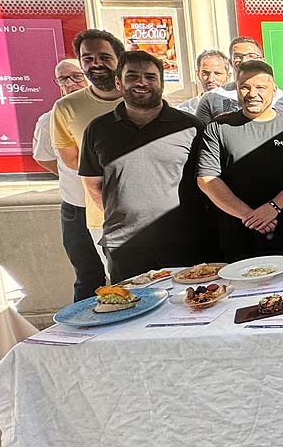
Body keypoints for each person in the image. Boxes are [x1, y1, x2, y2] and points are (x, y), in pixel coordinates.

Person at [79, 51, 209, 280]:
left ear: (161, 83)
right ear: (118, 82)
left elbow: (207, 181)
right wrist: (125, 219)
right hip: (125, 245)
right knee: (131, 309)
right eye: (133, 76)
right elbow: (93, 184)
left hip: (185, 242)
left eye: (150, 77)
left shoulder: (191, 127)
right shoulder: (98, 129)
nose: (142, 83)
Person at [197, 61, 283, 262]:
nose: (252, 93)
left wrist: (273, 208)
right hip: (239, 238)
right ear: (237, 88)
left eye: (261, 87)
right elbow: (207, 179)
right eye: (245, 86)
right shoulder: (219, 127)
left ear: (274, 90)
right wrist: (249, 216)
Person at [51, 29, 126, 275]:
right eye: (88, 59)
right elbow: (72, 160)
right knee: (124, 286)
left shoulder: (143, 98)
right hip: (104, 216)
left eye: (104, 57)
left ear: (119, 59)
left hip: (158, 215)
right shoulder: (65, 108)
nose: (96, 65)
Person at [33, 59, 103, 300]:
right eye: (63, 79)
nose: (70, 83)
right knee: (88, 275)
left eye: (76, 76)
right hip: (78, 208)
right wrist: (72, 174)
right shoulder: (49, 119)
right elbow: (45, 159)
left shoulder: (108, 112)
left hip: (108, 207)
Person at [195, 37, 283, 124]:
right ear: (231, 62)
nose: (244, 60)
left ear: (262, 60)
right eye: (238, 57)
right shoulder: (211, 98)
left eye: (251, 56)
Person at [176, 50, 230, 114]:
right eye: (205, 73)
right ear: (198, 75)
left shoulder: (238, 107)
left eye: (217, 73)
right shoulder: (184, 111)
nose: (210, 79)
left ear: (228, 76)